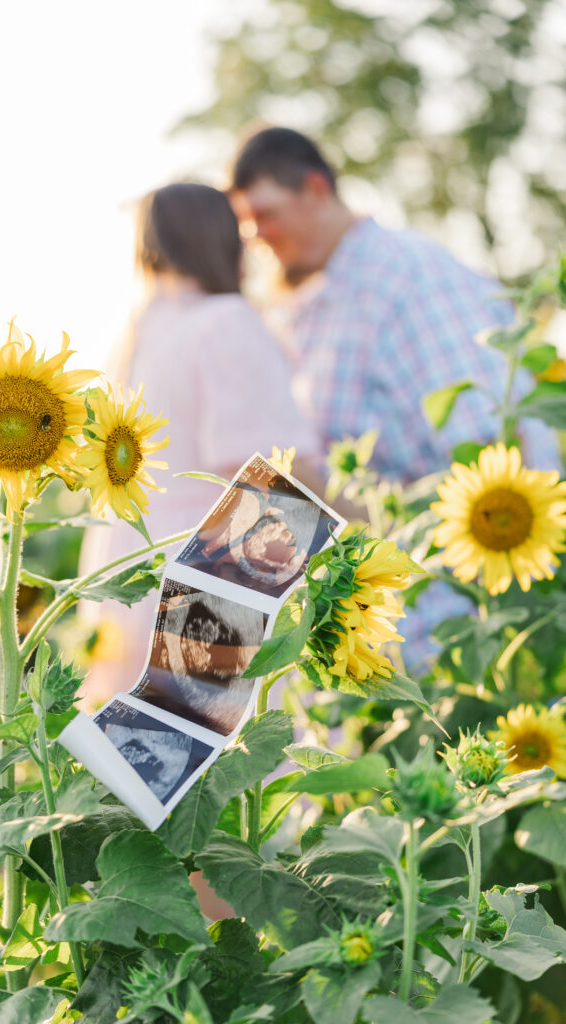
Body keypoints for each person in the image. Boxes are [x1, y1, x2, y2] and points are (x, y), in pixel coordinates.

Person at [229, 127, 562, 666]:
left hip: (465, 627)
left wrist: (341, 507)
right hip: (392, 616)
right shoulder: (324, 294)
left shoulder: (407, 279)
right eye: (244, 222)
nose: (254, 235)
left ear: (316, 189)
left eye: (264, 214)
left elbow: (492, 453)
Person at [78, 182, 322, 704]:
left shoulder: (140, 333)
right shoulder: (226, 321)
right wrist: (369, 530)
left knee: (140, 770)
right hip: (213, 580)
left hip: (124, 571)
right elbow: (279, 480)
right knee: (239, 771)